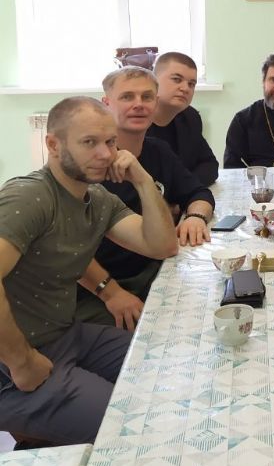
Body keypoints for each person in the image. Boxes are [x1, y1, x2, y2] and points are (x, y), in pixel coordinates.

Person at [0, 96, 177, 445]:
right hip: (11, 365)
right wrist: (21, 362)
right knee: (129, 427)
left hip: (65, 335)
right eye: (89, 142)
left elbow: (161, 245)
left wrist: (143, 180)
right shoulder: (30, 197)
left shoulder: (97, 200)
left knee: (164, 362)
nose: (105, 154)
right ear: (53, 144)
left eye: (110, 142)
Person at [75, 68, 215, 329]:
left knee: (212, 305)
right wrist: (111, 293)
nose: (139, 104)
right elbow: (68, 247)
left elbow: (198, 193)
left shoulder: (158, 151)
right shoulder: (90, 164)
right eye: (127, 97)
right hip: (99, 288)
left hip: (154, 269)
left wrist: (195, 216)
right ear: (106, 104)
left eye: (147, 97)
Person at [147, 51, 219, 185]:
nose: (186, 88)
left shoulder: (190, 117)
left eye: (191, 84)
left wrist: (183, 188)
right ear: (153, 81)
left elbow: (210, 166)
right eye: (177, 79)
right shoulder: (137, 120)